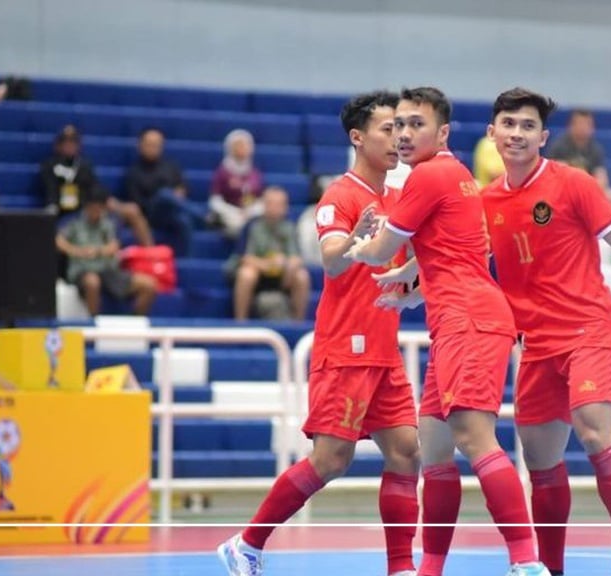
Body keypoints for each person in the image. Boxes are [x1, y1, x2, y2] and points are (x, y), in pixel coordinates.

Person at [475, 87, 611, 576]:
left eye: (528, 126)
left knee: (594, 432)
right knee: (541, 461)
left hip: (589, 329)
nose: (517, 133)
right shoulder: (484, 202)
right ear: (492, 134)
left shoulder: (574, 184)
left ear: (544, 137)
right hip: (535, 345)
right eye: (508, 124)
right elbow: (457, 259)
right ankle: (549, 568)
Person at [345, 86, 549, 576]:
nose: (405, 134)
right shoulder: (455, 175)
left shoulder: (429, 175)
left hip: (470, 322)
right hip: (456, 320)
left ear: (442, 133)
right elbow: (461, 252)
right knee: (435, 450)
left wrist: (347, 250)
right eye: (398, 125)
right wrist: (411, 286)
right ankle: (430, 568)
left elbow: (376, 250)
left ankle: (527, 563)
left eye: (417, 124)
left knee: (474, 437)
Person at [218, 91, 421, 576]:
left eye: (401, 129)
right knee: (331, 459)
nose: (398, 137)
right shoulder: (341, 196)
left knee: (406, 452)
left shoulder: (398, 198)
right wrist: (355, 241)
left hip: (384, 351)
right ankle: (246, 544)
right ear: (358, 137)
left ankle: (401, 568)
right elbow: (331, 259)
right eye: (387, 129)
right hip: (344, 348)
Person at [42, 125, 154, 246]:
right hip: (66, 213)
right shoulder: (50, 166)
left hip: (89, 208)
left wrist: (111, 204)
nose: (70, 145)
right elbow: (50, 196)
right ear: (58, 144)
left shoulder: (84, 165)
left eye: (73, 142)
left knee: (131, 210)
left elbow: (97, 189)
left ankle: (150, 252)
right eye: (66, 142)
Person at [55, 185, 157, 315]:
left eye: (99, 207)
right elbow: (57, 240)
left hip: (109, 270)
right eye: (93, 207)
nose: (96, 211)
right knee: (92, 282)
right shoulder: (73, 221)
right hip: (82, 270)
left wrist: (97, 251)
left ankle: (135, 323)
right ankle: (93, 324)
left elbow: (114, 245)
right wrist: (76, 251)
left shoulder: (110, 222)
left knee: (149, 285)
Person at [230, 186, 311, 321]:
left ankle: (298, 323)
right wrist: (265, 265)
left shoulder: (290, 227)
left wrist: (287, 265)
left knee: (302, 276)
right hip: (258, 272)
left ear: (285, 207)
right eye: (271, 203)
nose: (275, 208)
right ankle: (241, 321)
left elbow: (297, 258)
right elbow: (244, 257)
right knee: (246, 274)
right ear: (264, 205)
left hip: (282, 274)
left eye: (279, 204)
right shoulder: (251, 225)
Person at [124, 128, 206, 256]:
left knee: (183, 220)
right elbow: (136, 202)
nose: (152, 148)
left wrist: (180, 193)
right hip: (150, 215)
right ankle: (203, 216)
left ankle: (186, 260)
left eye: (156, 145)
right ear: (140, 145)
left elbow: (182, 188)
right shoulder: (133, 172)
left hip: (171, 213)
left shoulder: (171, 166)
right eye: (149, 144)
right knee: (164, 194)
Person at [545, 109, 611, 205]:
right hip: (563, 189)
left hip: (587, 189)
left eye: (587, 124)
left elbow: (601, 177)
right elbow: (558, 176)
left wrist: (589, 190)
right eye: (580, 124)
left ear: (592, 128)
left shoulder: (596, 149)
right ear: (571, 126)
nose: (583, 128)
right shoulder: (559, 145)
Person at [210, 129, 265, 239]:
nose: (242, 149)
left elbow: (261, 199)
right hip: (229, 213)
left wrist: (251, 211)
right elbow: (215, 201)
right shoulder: (222, 172)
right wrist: (233, 212)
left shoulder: (255, 173)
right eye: (238, 145)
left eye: (245, 145)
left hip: (250, 213)